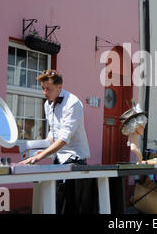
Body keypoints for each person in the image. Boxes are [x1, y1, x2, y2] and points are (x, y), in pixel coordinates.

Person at [20, 70, 94, 213]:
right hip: (58, 158)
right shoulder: (48, 104)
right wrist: (31, 149)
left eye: (48, 89)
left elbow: (64, 139)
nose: (44, 92)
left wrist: (38, 156)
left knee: (69, 206)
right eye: (42, 88)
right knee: (56, 203)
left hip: (74, 159)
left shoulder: (73, 103)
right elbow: (52, 134)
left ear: (59, 87)